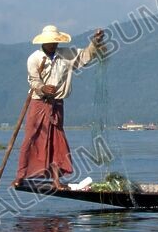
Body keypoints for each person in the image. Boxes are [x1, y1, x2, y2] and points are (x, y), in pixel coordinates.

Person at [13, 25, 105, 189]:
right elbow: (33, 80)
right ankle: (20, 176)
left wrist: (95, 43)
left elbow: (85, 56)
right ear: (44, 43)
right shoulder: (34, 58)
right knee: (30, 138)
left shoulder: (65, 55)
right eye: (50, 42)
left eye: (55, 41)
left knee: (56, 141)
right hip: (39, 103)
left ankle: (56, 181)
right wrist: (42, 88)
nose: (53, 44)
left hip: (57, 104)